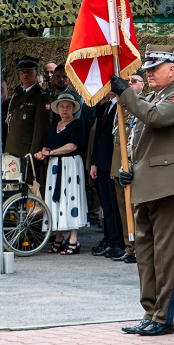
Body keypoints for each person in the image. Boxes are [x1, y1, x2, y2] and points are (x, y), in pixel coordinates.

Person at [111, 45, 174, 336]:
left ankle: (163, 317)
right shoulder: (149, 97)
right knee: (145, 255)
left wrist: (126, 94)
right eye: (147, 69)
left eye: (155, 68)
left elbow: (155, 118)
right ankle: (150, 312)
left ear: (172, 70)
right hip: (145, 185)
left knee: (165, 256)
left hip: (169, 186)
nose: (148, 73)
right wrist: (129, 170)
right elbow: (141, 143)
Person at [36, 88, 88, 254]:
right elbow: (47, 143)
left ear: (73, 108)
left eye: (68, 106)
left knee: (71, 199)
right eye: (62, 106)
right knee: (55, 200)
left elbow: (72, 146)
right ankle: (59, 238)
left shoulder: (78, 125)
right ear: (57, 109)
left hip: (71, 165)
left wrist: (50, 153)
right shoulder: (54, 126)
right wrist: (42, 152)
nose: (65, 109)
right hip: (55, 167)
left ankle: (73, 239)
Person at [89, 90, 125, 259]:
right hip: (101, 164)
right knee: (106, 206)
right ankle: (110, 239)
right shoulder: (104, 108)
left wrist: (115, 166)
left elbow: (119, 140)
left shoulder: (121, 107)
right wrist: (94, 162)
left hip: (112, 164)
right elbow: (98, 138)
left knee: (114, 205)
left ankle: (118, 242)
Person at [111, 74, 142, 263]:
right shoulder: (119, 106)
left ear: (142, 85)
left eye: (134, 81)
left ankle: (139, 247)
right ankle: (129, 246)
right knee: (123, 209)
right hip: (119, 166)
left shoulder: (141, 105)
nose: (129, 84)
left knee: (134, 209)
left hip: (132, 165)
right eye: (127, 81)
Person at [4, 56, 51, 157]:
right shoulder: (17, 95)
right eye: (22, 72)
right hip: (12, 149)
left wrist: (33, 154)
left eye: (29, 71)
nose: (25, 74)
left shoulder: (41, 97)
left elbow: (41, 129)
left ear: (36, 73)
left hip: (26, 151)